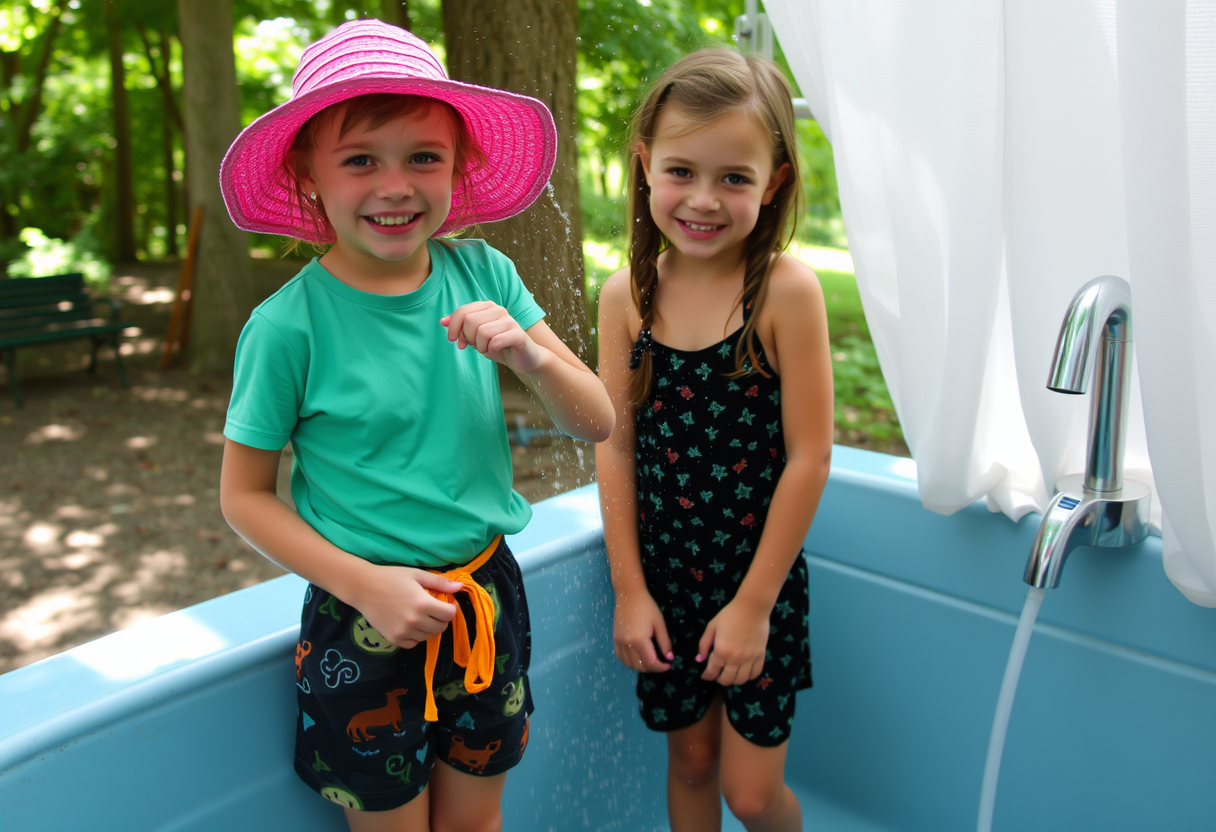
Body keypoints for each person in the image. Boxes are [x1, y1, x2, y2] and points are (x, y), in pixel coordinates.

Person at [218, 20, 613, 832]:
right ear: (307, 174)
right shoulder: (288, 326)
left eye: (423, 157)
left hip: (484, 596)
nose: (395, 185)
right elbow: (245, 497)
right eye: (361, 159)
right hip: (360, 614)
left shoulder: (484, 271)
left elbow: (598, 420)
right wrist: (364, 585)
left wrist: (531, 358)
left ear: (459, 167)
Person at [595, 47, 833, 832]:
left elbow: (810, 457)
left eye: (734, 177)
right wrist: (630, 590)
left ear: (775, 184)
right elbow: (615, 444)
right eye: (681, 171)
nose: (703, 199)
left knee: (752, 795)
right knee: (690, 762)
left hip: (755, 583)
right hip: (663, 585)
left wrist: (755, 606)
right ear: (645, 166)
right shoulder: (627, 294)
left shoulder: (784, 292)